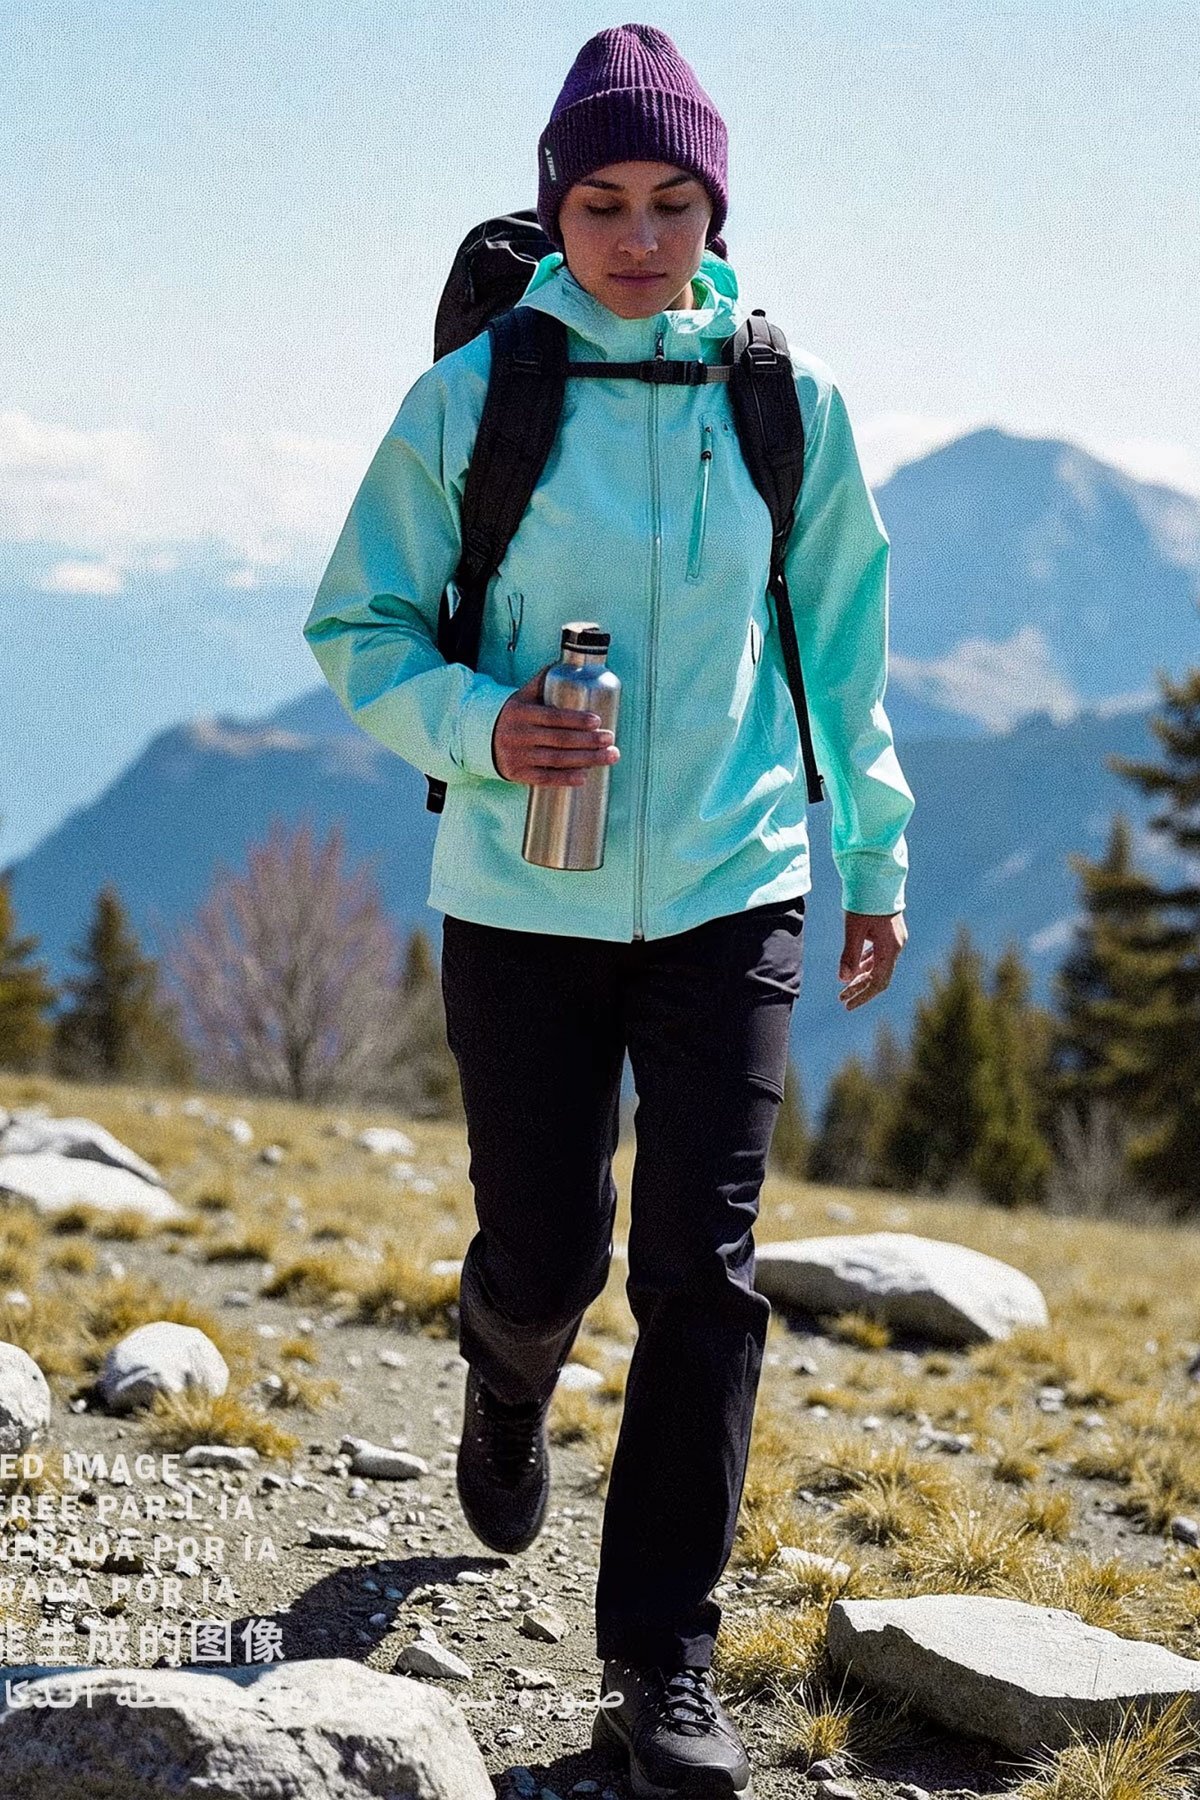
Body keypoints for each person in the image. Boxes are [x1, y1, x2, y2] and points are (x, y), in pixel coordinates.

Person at [303, 22, 914, 1797]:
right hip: (521, 892)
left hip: (735, 882)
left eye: (672, 202)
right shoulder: (474, 397)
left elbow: (842, 651)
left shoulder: (788, 403)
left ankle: (664, 1663)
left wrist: (873, 855)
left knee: (701, 1277)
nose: (639, 237)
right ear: (553, 211)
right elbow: (357, 628)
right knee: (550, 1249)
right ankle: (507, 1373)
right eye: (601, 203)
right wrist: (481, 728)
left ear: (717, 211)